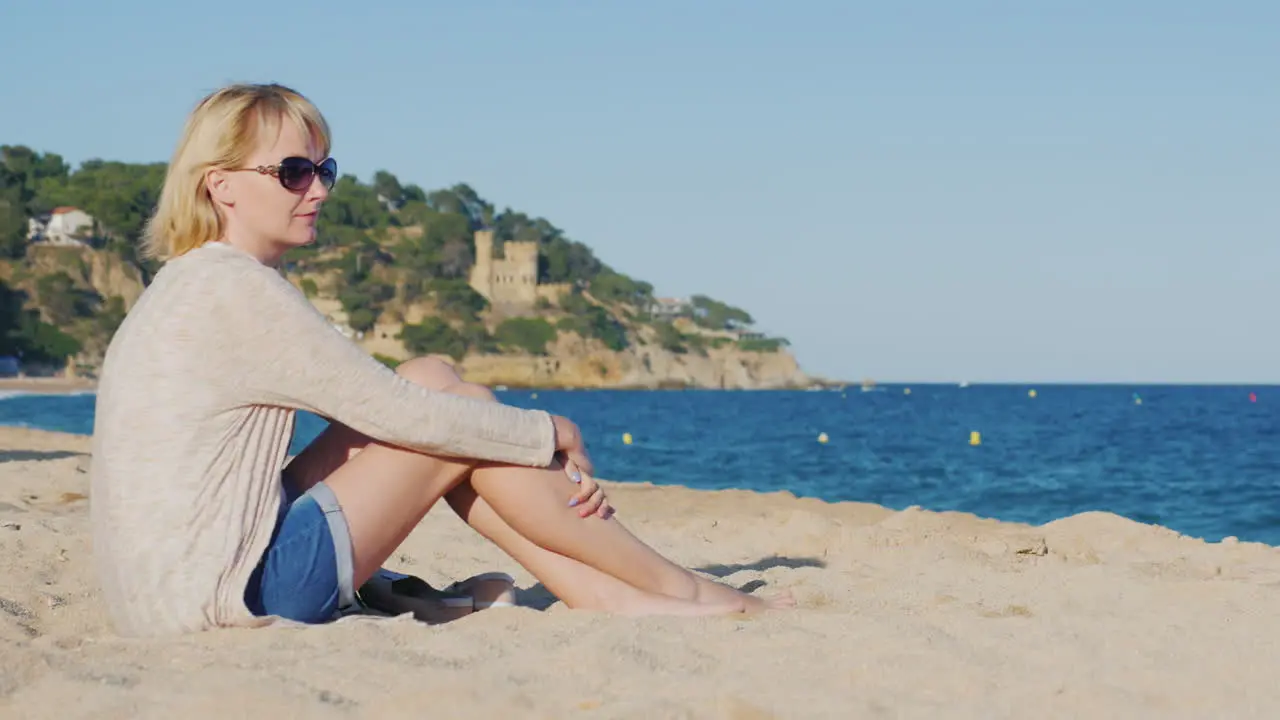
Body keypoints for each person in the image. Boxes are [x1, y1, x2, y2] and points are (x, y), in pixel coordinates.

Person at [89, 82, 791, 638]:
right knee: (457, 417)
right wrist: (548, 433)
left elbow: (395, 397)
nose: (320, 190)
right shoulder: (234, 291)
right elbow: (398, 417)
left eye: (324, 168)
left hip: (176, 586)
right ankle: (673, 588)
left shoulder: (199, 278)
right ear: (221, 184)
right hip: (226, 596)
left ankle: (604, 591)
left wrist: (502, 426)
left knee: (433, 378)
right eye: (295, 172)